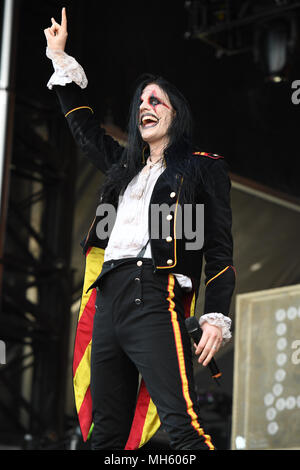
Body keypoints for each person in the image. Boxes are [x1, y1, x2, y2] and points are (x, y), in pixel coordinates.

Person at [44, 8, 236, 450]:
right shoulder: (121, 168)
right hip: (108, 299)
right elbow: (83, 127)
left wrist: (215, 317)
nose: (145, 106)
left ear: (176, 114)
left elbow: (221, 252)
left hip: (153, 293)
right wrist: (59, 56)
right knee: (104, 435)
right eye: (141, 102)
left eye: (157, 100)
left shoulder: (202, 170)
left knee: (182, 424)